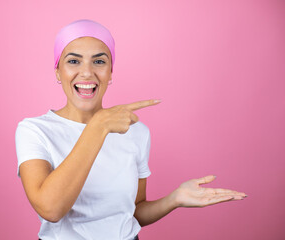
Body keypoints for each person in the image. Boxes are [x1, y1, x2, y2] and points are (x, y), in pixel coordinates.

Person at [15, 19, 247, 240]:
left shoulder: (136, 132)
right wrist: (98, 126)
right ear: (58, 72)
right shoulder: (35, 131)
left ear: (110, 73)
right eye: (73, 61)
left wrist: (174, 199)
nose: (86, 72)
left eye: (99, 61)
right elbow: (51, 209)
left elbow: (134, 212)